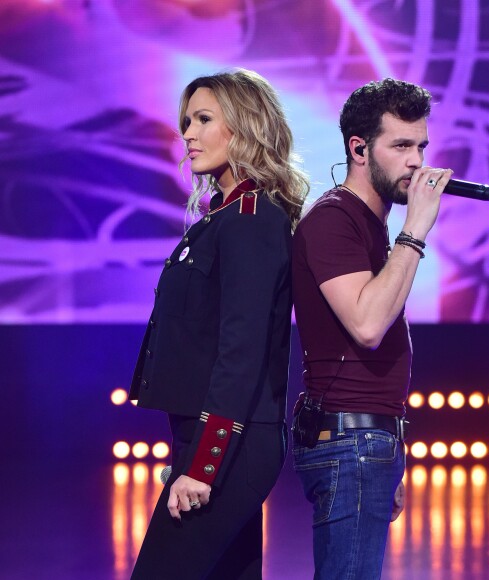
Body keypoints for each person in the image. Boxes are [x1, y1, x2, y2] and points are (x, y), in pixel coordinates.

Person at [129, 68, 308, 579]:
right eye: (187, 119)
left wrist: (204, 465)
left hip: (231, 445)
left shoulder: (251, 218)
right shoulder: (225, 216)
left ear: (246, 127)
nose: (188, 132)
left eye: (204, 119)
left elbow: (242, 350)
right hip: (218, 440)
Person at [291, 78, 453, 579]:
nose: (416, 162)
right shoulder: (333, 220)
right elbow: (367, 324)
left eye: (421, 145)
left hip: (368, 443)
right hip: (349, 444)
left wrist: (392, 450)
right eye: (401, 146)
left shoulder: (369, 222)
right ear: (358, 149)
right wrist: (416, 232)